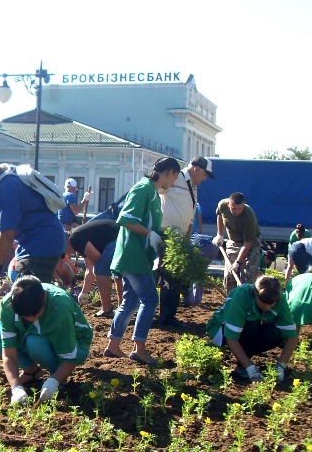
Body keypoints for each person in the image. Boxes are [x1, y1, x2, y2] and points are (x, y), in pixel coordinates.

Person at [103, 156, 179, 366]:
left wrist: (158, 235)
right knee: (150, 299)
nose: (173, 183)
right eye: (174, 178)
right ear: (169, 172)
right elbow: (125, 219)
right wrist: (149, 234)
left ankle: (113, 345)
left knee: (131, 301)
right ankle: (139, 348)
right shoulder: (143, 188)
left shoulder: (152, 192)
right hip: (133, 256)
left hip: (137, 256)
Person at [0, 275, 93, 405]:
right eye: (24, 316)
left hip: (76, 345)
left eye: (35, 314)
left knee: (34, 343)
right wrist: (16, 387)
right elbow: (9, 354)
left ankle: (59, 377)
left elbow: (71, 357)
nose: (30, 319)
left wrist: (53, 381)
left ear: (44, 297)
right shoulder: (8, 305)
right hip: (33, 334)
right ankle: (32, 371)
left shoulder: (59, 307)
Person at [0, 147, 66, 284]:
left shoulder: (6, 186)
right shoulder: (6, 173)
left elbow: (7, 235)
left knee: (25, 293)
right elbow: (22, 204)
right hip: (43, 241)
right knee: (30, 291)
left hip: (41, 244)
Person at [206, 275, 298, 383]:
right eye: (263, 303)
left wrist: (280, 367)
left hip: (251, 330)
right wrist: (251, 369)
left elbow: (292, 336)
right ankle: (243, 367)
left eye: (272, 304)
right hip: (221, 330)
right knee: (251, 325)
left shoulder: (279, 299)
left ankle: (246, 356)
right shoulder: (240, 296)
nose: (268, 307)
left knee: (276, 333)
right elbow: (231, 338)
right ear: (255, 293)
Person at [158, 156, 214, 328]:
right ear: (196, 169)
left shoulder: (193, 186)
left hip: (181, 238)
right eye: (205, 174)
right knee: (165, 277)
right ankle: (159, 315)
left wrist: (187, 238)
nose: (205, 179)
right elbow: (155, 192)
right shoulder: (175, 178)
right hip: (165, 235)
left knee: (176, 277)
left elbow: (189, 213)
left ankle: (169, 315)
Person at [69, 218, 122, 317]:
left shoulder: (75, 239)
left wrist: (100, 271)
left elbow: (97, 260)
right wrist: (84, 293)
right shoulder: (80, 238)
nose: (67, 254)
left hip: (118, 236)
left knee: (101, 271)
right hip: (120, 235)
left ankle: (107, 310)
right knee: (117, 272)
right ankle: (122, 308)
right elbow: (90, 269)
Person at [213, 191, 261, 293]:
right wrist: (219, 234)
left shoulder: (249, 215)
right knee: (229, 274)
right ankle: (231, 298)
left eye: (240, 208)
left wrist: (238, 262)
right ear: (228, 204)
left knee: (249, 274)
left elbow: (248, 243)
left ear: (243, 205)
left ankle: (247, 297)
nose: (237, 211)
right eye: (234, 208)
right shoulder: (223, 205)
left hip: (250, 242)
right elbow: (220, 215)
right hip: (233, 240)